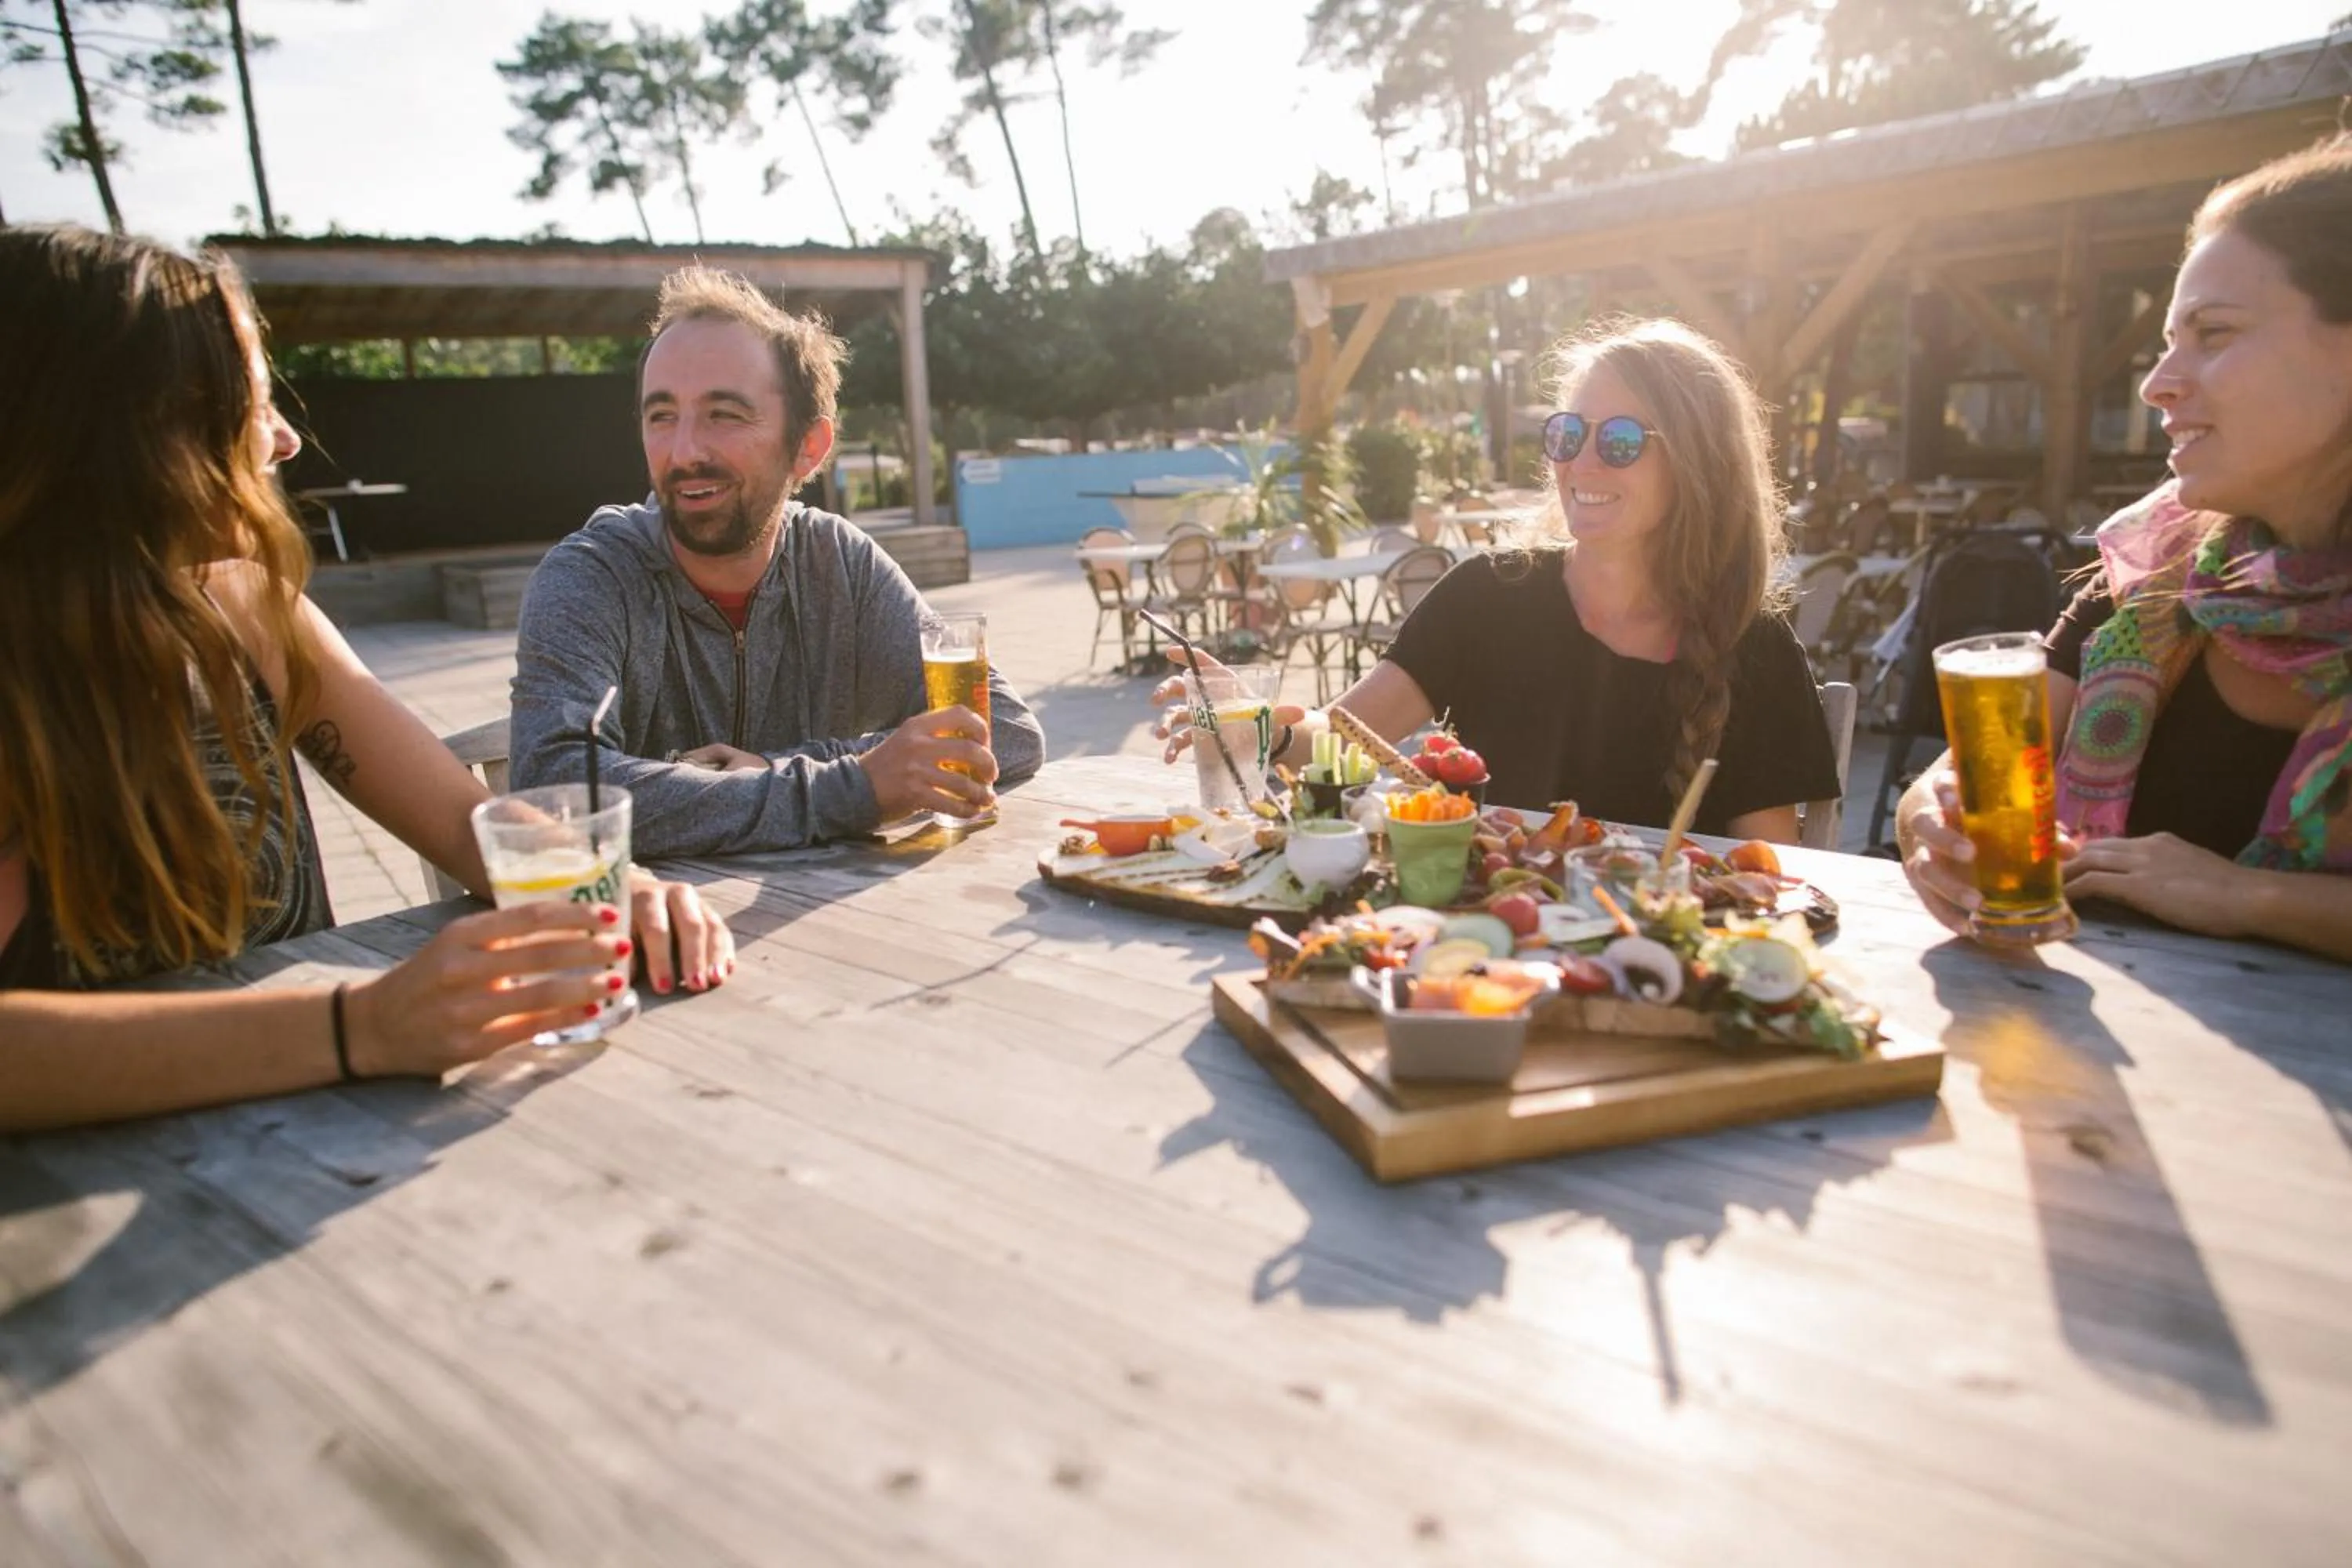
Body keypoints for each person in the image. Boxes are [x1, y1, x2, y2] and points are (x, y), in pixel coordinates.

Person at [0, 226, 734, 1134]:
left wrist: (612, 884)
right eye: (251, 403)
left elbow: (469, 822)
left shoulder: (257, 619)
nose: (284, 438)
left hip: (300, 1155)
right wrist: (361, 1025)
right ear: (124, 435)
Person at [1900, 134, 2352, 963]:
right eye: (2167, 340)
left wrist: (2251, 896)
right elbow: (1954, 781)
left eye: (2213, 333)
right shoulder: (2156, 580)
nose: (2157, 384)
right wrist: (1938, 827)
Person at [1156, 318, 1840, 842]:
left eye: (1622, 441)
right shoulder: (1488, 597)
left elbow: (1771, 879)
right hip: (1487, 957)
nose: (1583, 463)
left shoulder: (1755, 649)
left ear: (1698, 464)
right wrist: (1263, 730)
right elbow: (1345, 742)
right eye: (1569, 434)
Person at [509, 267, 1044, 855]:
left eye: (724, 415)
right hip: (650, 934)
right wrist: (855, 787)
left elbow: (1009, 734)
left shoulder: (839, 563)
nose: (683, 450)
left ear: (808, 447)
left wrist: (777, 766)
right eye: (662, 415)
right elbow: (554, 791)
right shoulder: (593, 576)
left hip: (835, 931)